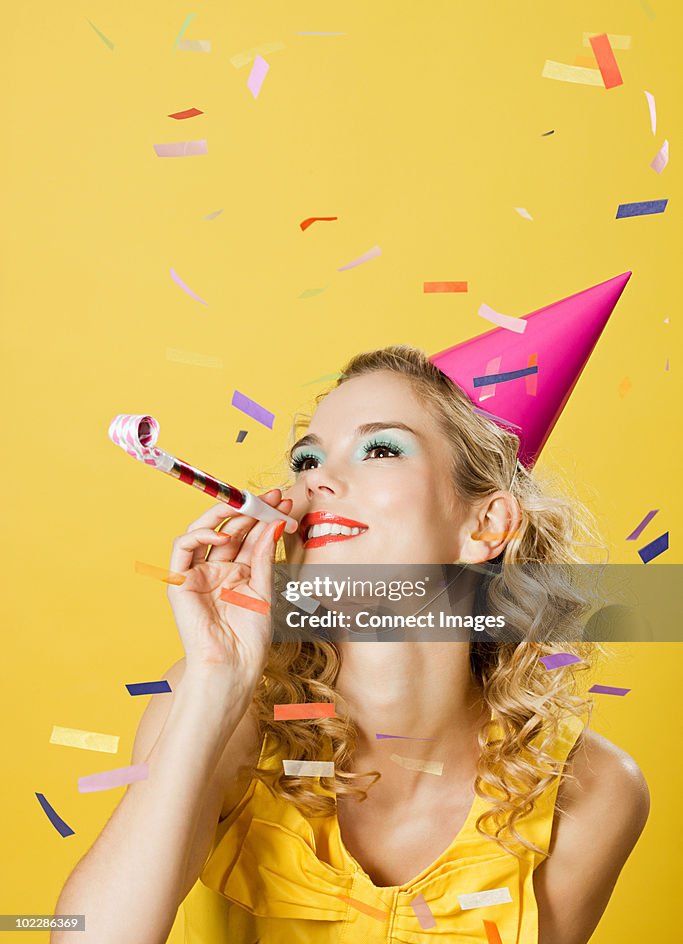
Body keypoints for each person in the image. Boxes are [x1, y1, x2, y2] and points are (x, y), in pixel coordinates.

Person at [52, 343, 649, 944]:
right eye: (307, 460)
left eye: (380, 449)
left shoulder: (590, 789)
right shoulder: (221, 711)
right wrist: (214, 681)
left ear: (485, 525)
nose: (318, 482)